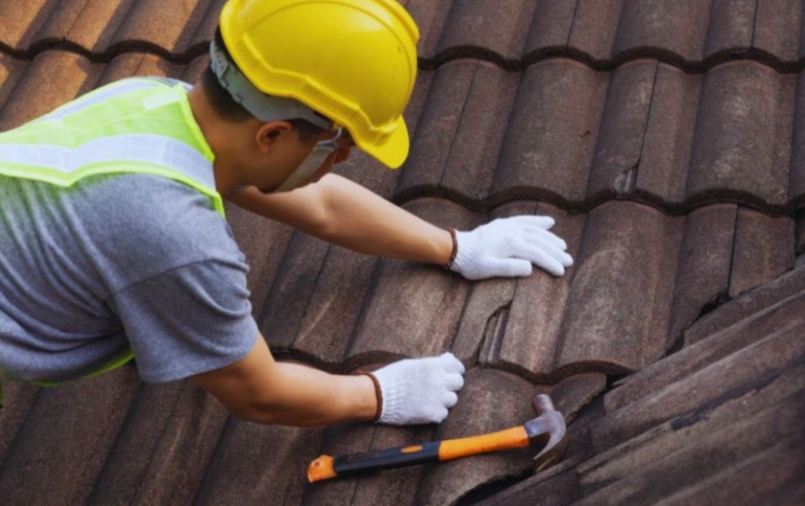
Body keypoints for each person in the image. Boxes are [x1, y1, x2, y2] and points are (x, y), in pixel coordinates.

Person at [0, 0, 572, 427]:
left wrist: (455, 245)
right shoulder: (174, 236)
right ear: (272, 133)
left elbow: (321, 206)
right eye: (337, 147)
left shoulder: (154, 100)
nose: (337, 164)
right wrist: (378, 393)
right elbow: (257, 392)